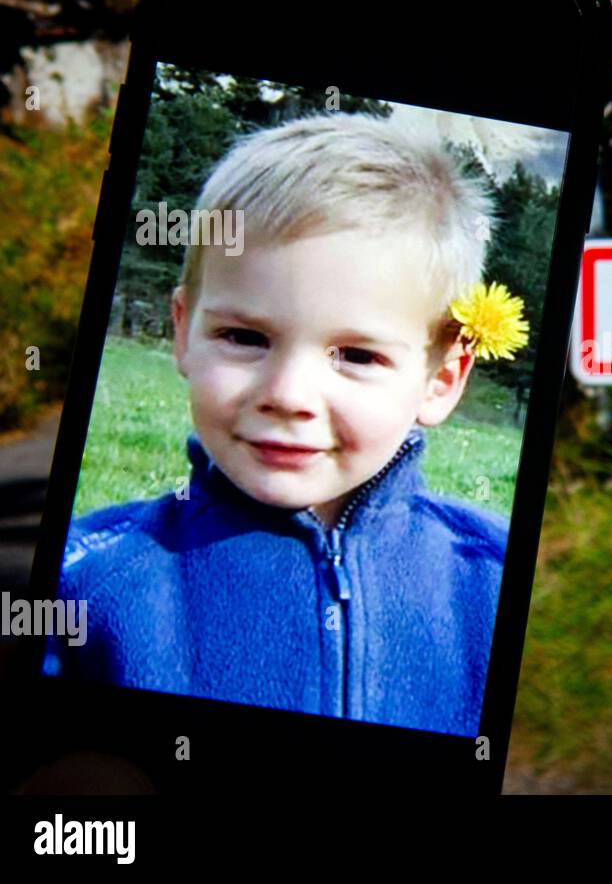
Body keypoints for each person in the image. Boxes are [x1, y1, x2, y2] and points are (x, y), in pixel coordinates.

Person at [43, 113, 529, 738]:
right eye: (244, 337)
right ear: (183, 331)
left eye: (357, 355)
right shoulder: (84, 582)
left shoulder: (497, 582)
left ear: (441, 379)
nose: (287, 395)